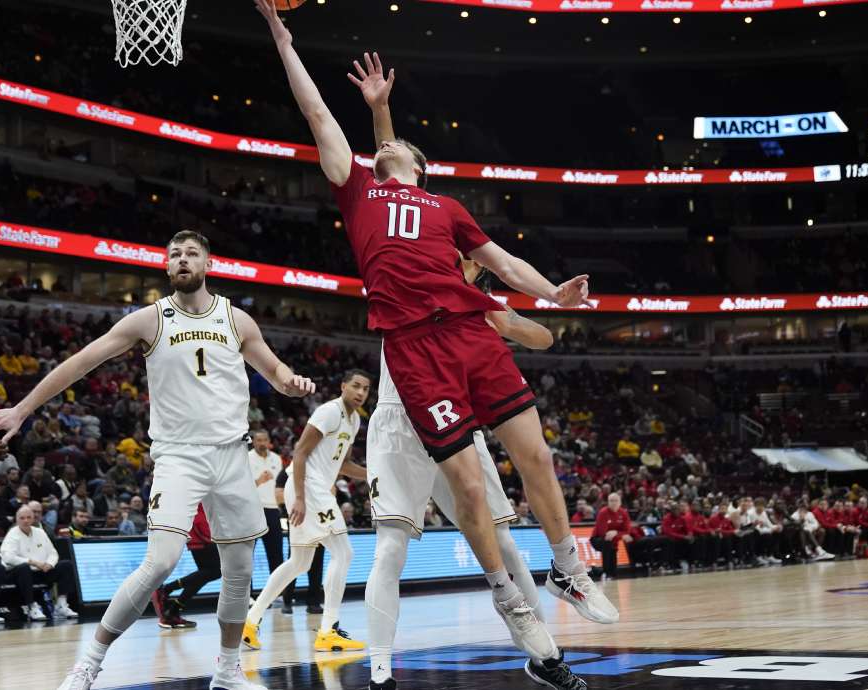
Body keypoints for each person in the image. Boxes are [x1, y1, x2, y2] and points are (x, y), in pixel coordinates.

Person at [261, 14, 610, 685]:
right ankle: (392, 669)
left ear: (421, 172)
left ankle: (558, 603)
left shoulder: (443, 211)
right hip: (411, 373)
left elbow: (505, 264)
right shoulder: (361, 190)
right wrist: (286, 43)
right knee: (412, 533)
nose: (386, 151)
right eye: (384, 148)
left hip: (466, 341)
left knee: (525, 469)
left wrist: (554, 296)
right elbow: (318, 114)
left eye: (399, 151)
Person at [0, 230, 315, 690]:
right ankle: (88, 664)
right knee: (160, 562)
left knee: (238, 569)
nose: (182, 259)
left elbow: (273, 371)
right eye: (174, 254)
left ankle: (228, 670)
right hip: (179, 456)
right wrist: (23, 407)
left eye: (191, 253)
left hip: (231, 455)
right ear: (167, 266)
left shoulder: (237, 320)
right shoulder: (150, 319)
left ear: (208, 263)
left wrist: (290, 381)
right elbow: (82, 361)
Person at [363, 256, 577, 690]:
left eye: (470, 253)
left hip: (456, 421)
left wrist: (523, 318)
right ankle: (380, 675)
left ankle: (547, 659)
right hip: (398, 422)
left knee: (503, 544)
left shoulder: (479, 303)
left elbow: (543, 337)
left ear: (478, 267)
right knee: (390, 549)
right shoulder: (405, 272)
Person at [243, 370, 372, 652]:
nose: (361, 392)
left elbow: (343, 465)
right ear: (342, 386)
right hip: (308, 488)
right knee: (343, 553)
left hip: (312, 489)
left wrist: (374, 473)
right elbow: (300, 453)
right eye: (356, 386)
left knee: (300, 563)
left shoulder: (354, 419)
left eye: (365, 388)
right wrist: (300, 497)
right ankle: (328, 629)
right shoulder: (329, 412)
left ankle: (250, 620)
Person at [0, 505, 78, 622]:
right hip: (18, 574)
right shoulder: (12, 534)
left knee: (66, 565)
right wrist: (32, 562)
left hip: (41, 571)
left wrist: (49, 564)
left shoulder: (40, 532)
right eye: (22, 518)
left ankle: (61, 605)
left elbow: (53, 553)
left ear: (33, 519)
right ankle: (31, 607)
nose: (25, 520)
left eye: (28, 517)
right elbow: (8, 558)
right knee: (24, 567)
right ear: (17, 519)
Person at [152, 504, 218, 629]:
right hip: (200, 528)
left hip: (200, 527)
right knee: (215, 571)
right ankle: (166, 590)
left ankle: (173, 611)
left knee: (205, 574)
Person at [246, 430, 286, 591]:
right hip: (253, 510)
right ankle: (248, 594)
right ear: (253, 442)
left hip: (273, 510)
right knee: (248, 555)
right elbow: (242, 486)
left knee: (276, 554)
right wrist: (259, 481)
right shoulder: (246, 458)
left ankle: (277, 593)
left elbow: (281, 486)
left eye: (264, 439)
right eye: (259, 440)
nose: (262, 443)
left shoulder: (277, 458)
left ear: (269, 441)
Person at [591, 493, 633, 579]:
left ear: (620, 502)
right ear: (608, 502)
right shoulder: (603, 512)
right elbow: (603, 533)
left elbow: (627, 531)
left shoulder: (623, 513)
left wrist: (616, 533)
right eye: (611, 501)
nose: (614, 503)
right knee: (608, 543)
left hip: (613, 541)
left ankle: (605, 572)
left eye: (616, 500)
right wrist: (621, 534)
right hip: (597, 539)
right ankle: (605, 573)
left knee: (614, 571)